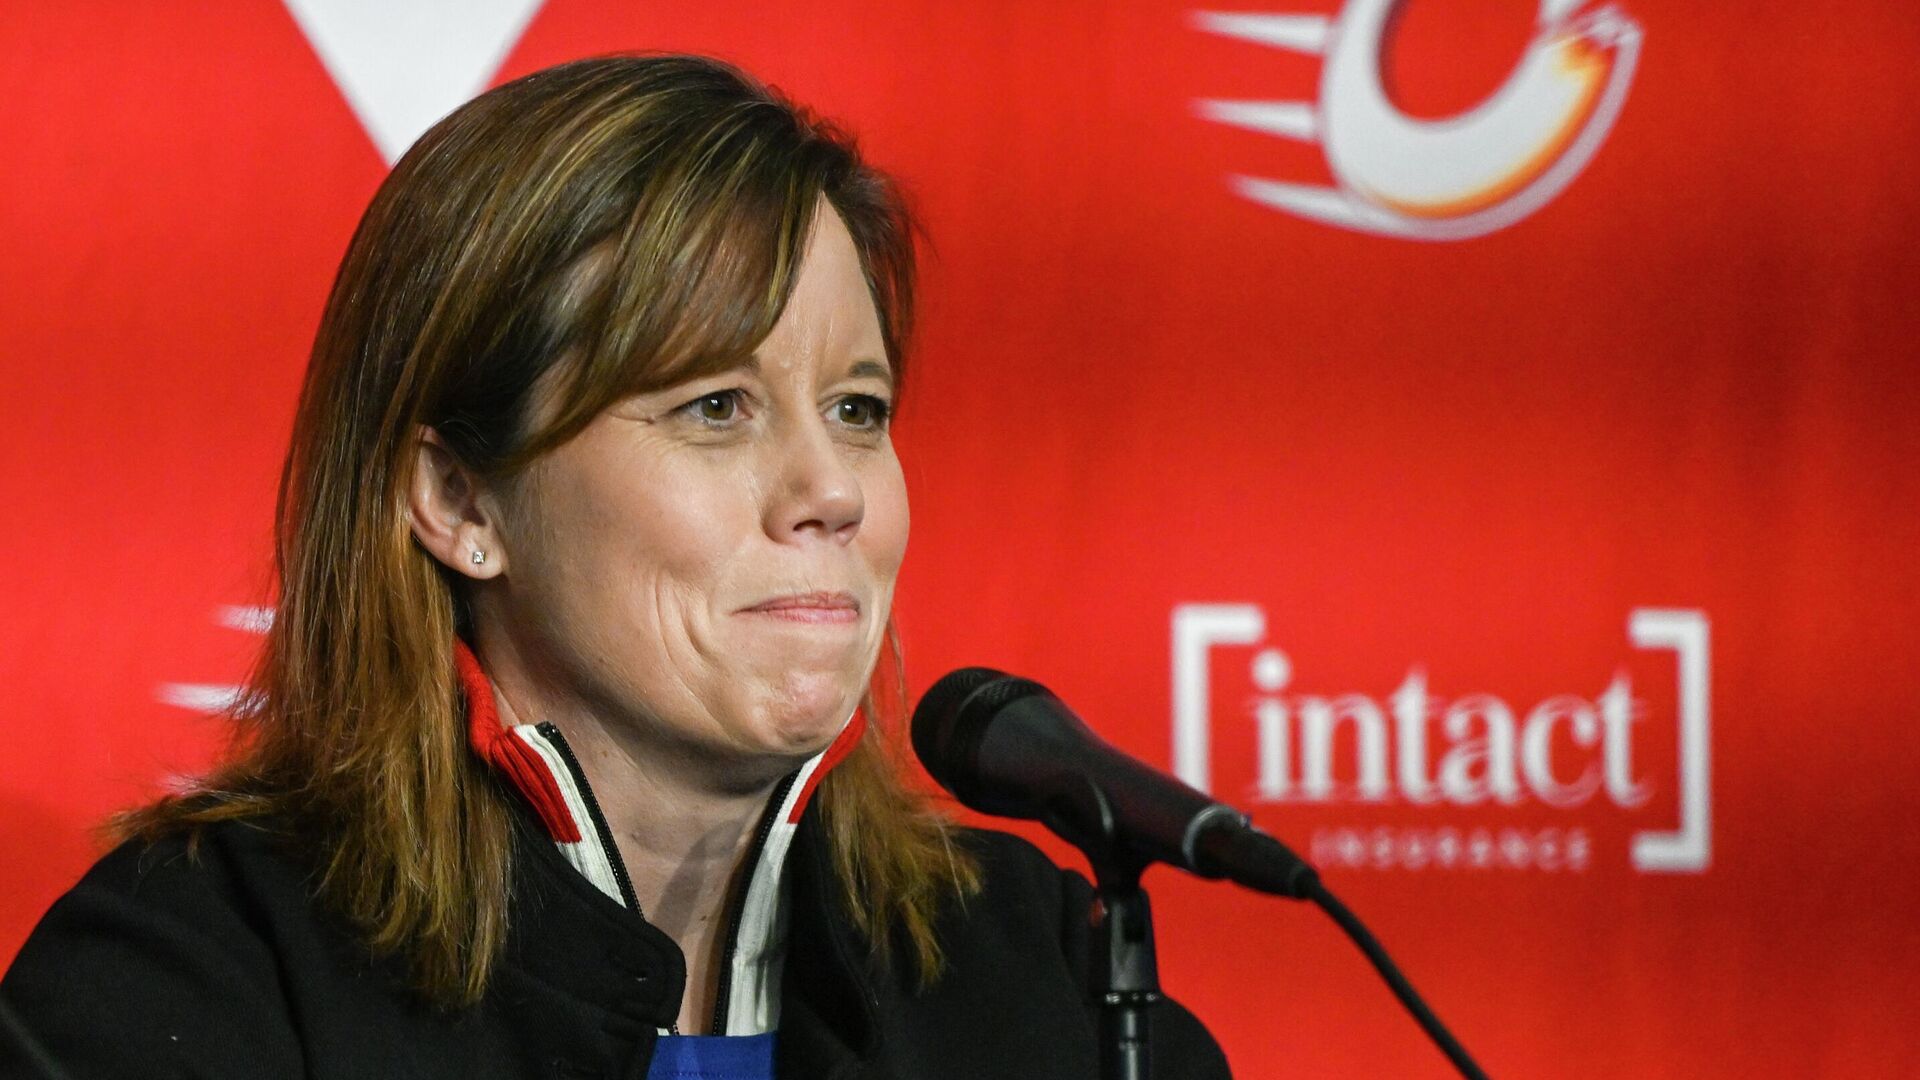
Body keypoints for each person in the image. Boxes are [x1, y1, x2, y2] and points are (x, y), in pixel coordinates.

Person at [0, 54, 1231, 1079]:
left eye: (857, 409)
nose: (835, 491)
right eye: (715, 407)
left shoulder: (1039, 974)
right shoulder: (199, 973)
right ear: (459, 500)